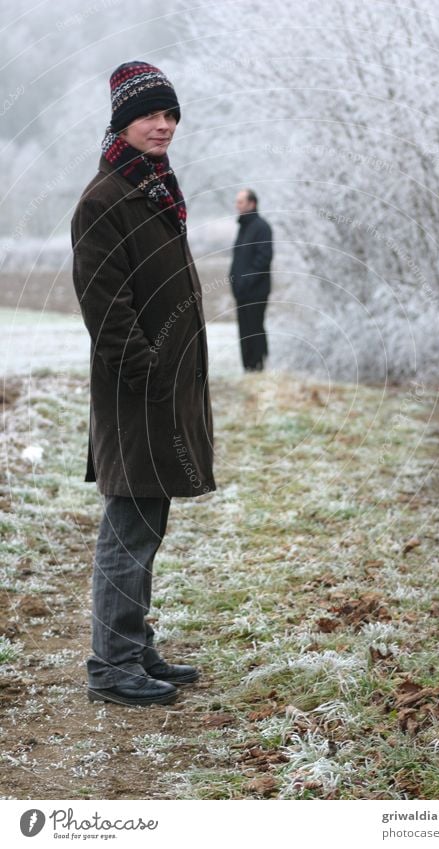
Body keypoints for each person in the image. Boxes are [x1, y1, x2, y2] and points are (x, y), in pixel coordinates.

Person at [71, 60, 216, 707]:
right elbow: (107, 311)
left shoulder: (154, 186)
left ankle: (132, 643)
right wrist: (152, 376)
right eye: (149, 115)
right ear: (122, 122)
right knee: (128, 527)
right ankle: (112, 663)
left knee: (146, 523)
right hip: (136, 396)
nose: (162, 126)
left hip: (162, 393)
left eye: (170, 115)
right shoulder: (103, 201)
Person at [229, 189, 273, 371]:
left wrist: (246, 282)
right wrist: (234, 281)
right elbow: (238, 259)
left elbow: (263, 259)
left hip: (256, 290)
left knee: (255, 327)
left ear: (252, 204)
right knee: (244, 329)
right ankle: (248, 366)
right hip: (241, 290)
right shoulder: (244, 227)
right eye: (237, 202)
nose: (237, 205)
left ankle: (258, 365)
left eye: (240, 202)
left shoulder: (261, 227)